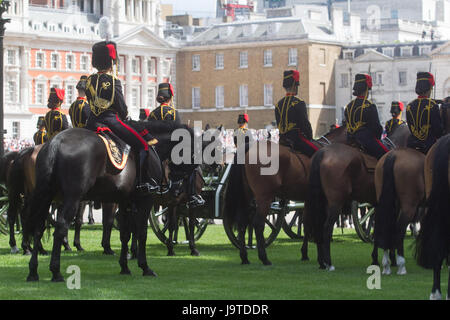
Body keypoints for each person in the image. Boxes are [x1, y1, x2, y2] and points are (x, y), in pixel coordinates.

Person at [85, 40, 160, 194]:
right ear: (111, 61)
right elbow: (121, 106)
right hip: (111, 121)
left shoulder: (88, 81)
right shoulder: (113, 81)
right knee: (143, 146)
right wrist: (125, 115)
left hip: (91, 122)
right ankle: (144, 182)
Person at [149, 82, 204, 208]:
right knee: (192, 164)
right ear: (170, 97)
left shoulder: (152, 114)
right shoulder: (173, 113)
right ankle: (192, 196)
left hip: (155, 150)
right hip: (169, 150)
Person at [275, 70, 318, 157]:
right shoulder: (299, 103)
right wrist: (310, 137)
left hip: (282, 141)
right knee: (319, 153)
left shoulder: (278, 105)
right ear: (295, 86)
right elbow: (305, 125)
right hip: (297, 141)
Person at [345, 73, 388, 160]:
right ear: (366, 90)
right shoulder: (369, 105)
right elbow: (376, 128)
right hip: (366, 141)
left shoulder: (348, 106)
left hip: (349, 140)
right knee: (387, 156)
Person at [405, 72, 443, 154]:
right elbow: (438, 132)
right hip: (429, 145)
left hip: (411, 144)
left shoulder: (409, 106)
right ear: (429, 89)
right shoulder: (432, 105)